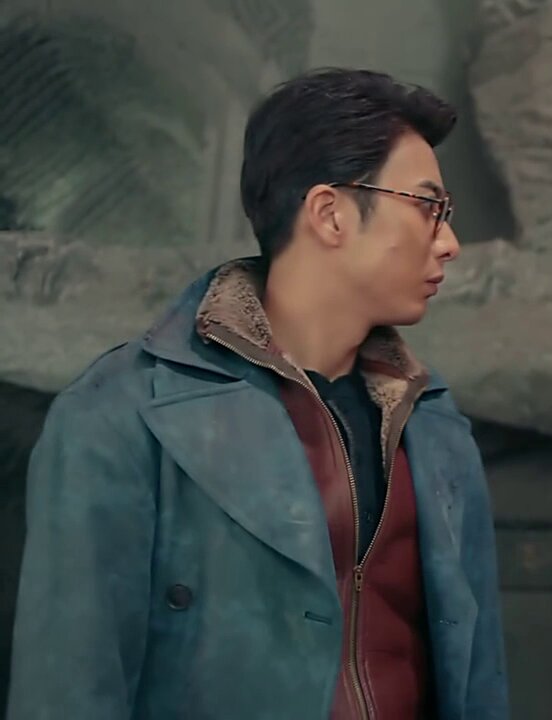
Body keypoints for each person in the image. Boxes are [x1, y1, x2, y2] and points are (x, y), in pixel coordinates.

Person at [7, 68, 509, 720]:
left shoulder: (433, 424)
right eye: (425, 207)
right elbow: (67, 692)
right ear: (330, 213)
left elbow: (477, 682)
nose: (449, 244)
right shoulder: (123, 416)